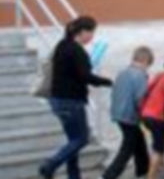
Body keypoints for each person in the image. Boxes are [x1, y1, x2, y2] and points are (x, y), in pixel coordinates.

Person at [39, 16, 112, 179]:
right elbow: (85, 76)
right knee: (81, 139)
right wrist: (107, 81)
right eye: (91, 33)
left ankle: (74, 174)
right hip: (71, 101)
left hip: (57, 100)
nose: (92, 37)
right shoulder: (77, 50)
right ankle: (50, 164)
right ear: (83, 32)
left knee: (72, 140)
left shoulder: (62, 45)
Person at [101, 46, 154, 179]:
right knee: (128, 147)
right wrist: (147, 116)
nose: (147, 68)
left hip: (118, 113)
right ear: (145, 60)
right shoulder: (140, 75)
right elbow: (140, 98)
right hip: (129, 115)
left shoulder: (122, 72)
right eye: (148, 64)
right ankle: (109, 175)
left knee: (138, 140)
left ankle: (143, 170)